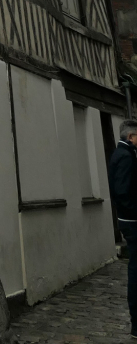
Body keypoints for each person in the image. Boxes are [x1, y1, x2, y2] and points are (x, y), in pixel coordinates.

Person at [108, 120, 137, 338]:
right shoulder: (126, 157)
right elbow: (122, 192)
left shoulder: (123, 154)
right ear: (131, 137)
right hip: (133, 223)